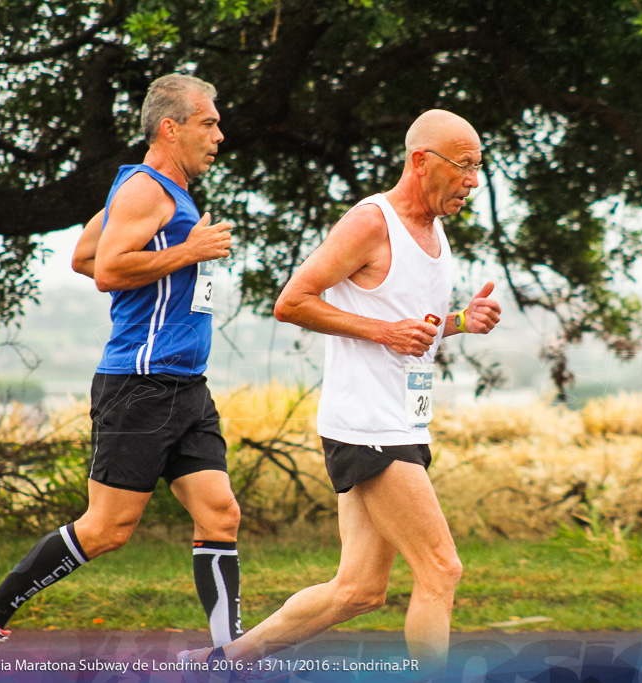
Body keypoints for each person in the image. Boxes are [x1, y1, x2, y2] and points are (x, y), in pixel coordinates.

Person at [179, 109, 501, 673]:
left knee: (358, 590)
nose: (474, 180)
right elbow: (292, 302)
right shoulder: (372, 221)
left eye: (479, 167)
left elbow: (407, 325)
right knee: (441, 570)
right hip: (369, 426)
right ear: (421, 161)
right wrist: (384, 332)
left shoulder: (434, 230)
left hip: (400, 420)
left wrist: (457, 322)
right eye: (465, 166)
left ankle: (219, 662)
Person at [0, 74, 243, 680]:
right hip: (139, 385)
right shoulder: (146, 190)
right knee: (108, 529)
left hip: (186, 386)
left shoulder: (159, 192)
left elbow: (84, 254)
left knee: (219, 515)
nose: (219, 135)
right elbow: (107, 269)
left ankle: (229, 658)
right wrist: (188, 253)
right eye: (209, 123)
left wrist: (172, 254)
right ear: (171, 127)